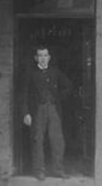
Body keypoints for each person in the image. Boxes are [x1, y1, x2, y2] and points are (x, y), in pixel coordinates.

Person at [20, 45, 72, 181]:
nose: (43, 59)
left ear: (49, 57)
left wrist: (58, 97)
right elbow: (23, 94)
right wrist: (25, 113)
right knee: (37, 140)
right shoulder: (30, 73)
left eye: (45, 56)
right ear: (36, 58)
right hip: (37, 110)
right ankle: (39, 171)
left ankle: (58, 170)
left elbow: (68, 85)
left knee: (57, 140)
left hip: (53, 109)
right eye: (40, 56)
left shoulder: (55, 72)